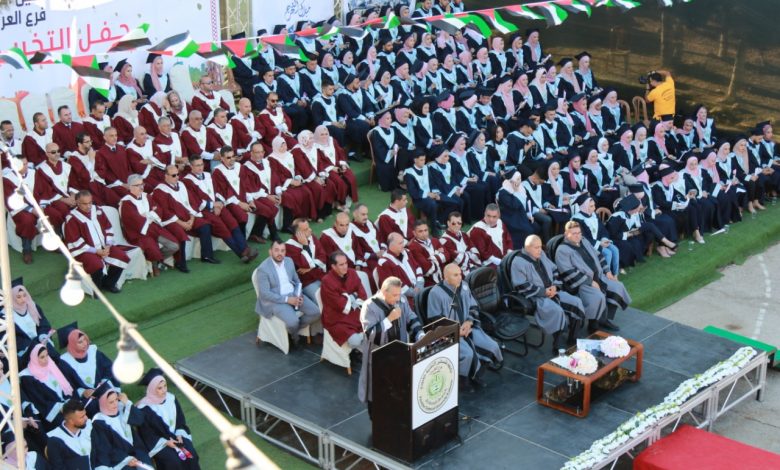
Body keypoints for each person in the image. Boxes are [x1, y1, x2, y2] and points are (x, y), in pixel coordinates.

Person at [427, 264, 503, 386]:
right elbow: (435, 321)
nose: (460, 277)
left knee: (492, 346)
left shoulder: (465, 286)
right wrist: (457, 331)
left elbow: (474, 306)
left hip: (468, 327)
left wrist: (469, 321)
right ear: (446, 277)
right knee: (468, 355)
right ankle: (464, 381)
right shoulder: (435, 293)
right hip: (450, 334)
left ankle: (476, 374)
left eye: (460, 274)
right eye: (455, 275)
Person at [358, 277, 425, 410]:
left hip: (400, 352)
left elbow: (411, 317)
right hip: (380, 357)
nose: (398, 298)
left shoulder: (401, 300)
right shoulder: (369, 306)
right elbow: (371, 335)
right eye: (394, 295)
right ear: (384, 292)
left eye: (399, 294)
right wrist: (389, 319)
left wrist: (420, 334)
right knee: (379, 394)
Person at [511, 234, 584, 351]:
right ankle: (557, 344)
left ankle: (573, 337)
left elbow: (554, 269)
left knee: (577, 302)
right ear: (527, 248)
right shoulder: (518, 262)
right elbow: (521, 286)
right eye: (536, 247)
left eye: (540, 246)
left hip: (553, 291)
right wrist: (543, 292)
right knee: (557, 311)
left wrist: (555, 286)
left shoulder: (541, 255)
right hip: (537, 297)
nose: (540, 250)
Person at [555, 221, 631, 331]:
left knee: (618, 287)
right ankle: (593, 324)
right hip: (581, 283)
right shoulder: (562, 250)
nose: (578, 236)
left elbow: (598, 255)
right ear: (566, 234)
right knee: (597, 296)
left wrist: (607, 271)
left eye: (579, 233)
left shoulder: (584, 241)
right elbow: (568, 273)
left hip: (599, 276)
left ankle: (604, 319)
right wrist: (590, 282)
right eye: (574, 233)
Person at [182, 155, 258, 263]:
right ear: (191, 166)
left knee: (232, 222)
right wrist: (213, 205)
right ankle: (241, 254)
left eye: (202, 164)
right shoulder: (187, 181)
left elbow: (218, 191)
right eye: (197, 165)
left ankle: (246, 249)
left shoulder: (208, 175)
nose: (200, 167)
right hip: (204, 210)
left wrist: (219, 203)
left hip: (218, 205)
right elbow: (194, 201)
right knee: (222, 228)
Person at [254, 240, 321, 343]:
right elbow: (265, 294)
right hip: (277, 300)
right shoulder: (263, 269)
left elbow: (297, 281)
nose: (280, 253)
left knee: (316, 312)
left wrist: (298, 294)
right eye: (276, 250)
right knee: (293, 322)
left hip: (293, 294)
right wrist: (287, 300)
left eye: (282, 250)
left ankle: (293, 330)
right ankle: (295, 337)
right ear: (270, 251)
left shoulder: (289, 261)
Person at [152, 165, 221, 264]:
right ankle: (180, 263)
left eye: (178, 174)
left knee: (205, 226)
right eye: (174, 175)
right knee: (180, 233)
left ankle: (207, 256)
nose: (177, 177)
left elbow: (192, 202)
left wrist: (192, 219)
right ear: (166, 176)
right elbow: (165, 212)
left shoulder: (182, 184)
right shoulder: (160, 190)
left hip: (189, 216)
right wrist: (182, 223)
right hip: (174, 220)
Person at [63, 190, 130, 293]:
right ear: (77, 202)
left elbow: (108, 228)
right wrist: (96, 251)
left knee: (122, 256)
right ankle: (96, 289)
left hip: (103, 246)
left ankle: (109, 283)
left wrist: (108, 245)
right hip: (85, 251)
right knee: (96, 265)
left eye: (90, 202)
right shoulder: (72, 218)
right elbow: (75, 241)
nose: (89, 206)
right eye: (85, 204)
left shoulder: (97, 210)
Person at [120, 174, 185, 275]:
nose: (141, 187)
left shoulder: (147, 196)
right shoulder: (126, 202)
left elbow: (158, 210)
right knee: (153, 250)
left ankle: (158, 261)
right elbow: (135, 220)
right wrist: (151, 214)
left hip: (154, 227)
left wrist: (146, 215)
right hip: (139, 232)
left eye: (142, 184)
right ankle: (155, 265)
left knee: (174, 245)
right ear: (130, 187)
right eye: (138, 185)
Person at [136, 369, 201, 469]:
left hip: (177, 436)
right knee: (174, 462)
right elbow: (147, 433)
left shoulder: (171, 399)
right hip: (160, 442)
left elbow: (180, 421)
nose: (164, 390)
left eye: (165, 386)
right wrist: (166, 442)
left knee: (191, 456)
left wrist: (179, 434)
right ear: (152, 389)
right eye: (159, 388)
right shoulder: (144, 408)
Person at [90, 385, 155, 469]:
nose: (115, 404)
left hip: (136, 450)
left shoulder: (122, 408)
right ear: (103, 403)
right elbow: (106, 448)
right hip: (119, 458)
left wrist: (127, 402)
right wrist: (126, 459)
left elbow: (139, 420)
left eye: (116, 399)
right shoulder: (99, 421)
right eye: (111, 402)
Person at [20, 344, 76, 432]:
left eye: (47, 355)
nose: (46, 359)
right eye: (42, 357)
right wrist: (59, 407)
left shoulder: (51, 366)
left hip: (64, 404)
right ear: (34, 359)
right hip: (49, 412)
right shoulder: (28, 378)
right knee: (70, 420)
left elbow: (64, 388)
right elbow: (39, 400)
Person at [321, 251, 368, 350]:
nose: (345, 266)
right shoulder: (327, 281)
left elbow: (362, 293)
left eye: (346, 263)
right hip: (337, 318)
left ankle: (364, 341)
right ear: (333, 266)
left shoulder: (352, 272)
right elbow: (339, 304)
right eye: (341, 264)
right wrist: (354, 296)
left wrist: (349, 297)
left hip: (355, 311)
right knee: (355, 340)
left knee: (375, 323)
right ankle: (359, 345)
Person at [57, 323, 118, 399]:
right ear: (72, 344)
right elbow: (67, 385)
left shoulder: (93, 352)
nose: (85, 344)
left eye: (85, 339)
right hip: (86, 398)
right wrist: (82, 392)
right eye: (80, 342)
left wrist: (105, 380)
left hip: (104, 389)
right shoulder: (65, 362)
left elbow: (108, 368)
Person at [3, 283, 57, 367]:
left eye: (24, 295)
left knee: (54, 357)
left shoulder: (32, 306)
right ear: (12, 298)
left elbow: (43, 324)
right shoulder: (5, 315)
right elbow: (12, 338)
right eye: (19, 297)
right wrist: (32, 344)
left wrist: (42, 337)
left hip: (40, 341)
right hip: (25, 348)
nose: (23, 299)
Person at [240, 142, 282, 243]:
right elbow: (250, 188)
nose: (260, 155)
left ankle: (256, 233)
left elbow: (275, 178)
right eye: (257, 152)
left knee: (272, 208)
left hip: (265, 194)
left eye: (262, 152)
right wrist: (268, 196)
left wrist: (278, 193)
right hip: (252, 196)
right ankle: (273, 233)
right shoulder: (246, 168)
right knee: (269, 209)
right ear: (251, 153)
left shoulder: (266, 162)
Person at [33, 142, 76, 233]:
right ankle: (64, 233)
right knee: (62, 210)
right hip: (53, 200)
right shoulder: (42, 170)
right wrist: (65, 200)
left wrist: (72, 196)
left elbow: (73, 183)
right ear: (47, 154)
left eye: (58, 151)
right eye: (53, 152)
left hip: (69, 196)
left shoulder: (66, 166)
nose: (57, 154)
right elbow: (45, 191)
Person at [3, 154, 38, 263]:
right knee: (27, 220)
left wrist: (40, 206)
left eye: (26, 164)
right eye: (22, 165)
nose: (25, 166)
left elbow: (42, 191)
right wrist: (31, 209)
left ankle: (56, 240)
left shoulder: (34, 173)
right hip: (20, 208)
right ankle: (26, 249)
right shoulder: (7, 179)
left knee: (54, 211)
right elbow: (11, 200)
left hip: (37, 205)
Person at [284, 218, 327, 303]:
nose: (310, 230)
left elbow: (323, 256)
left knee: (336, 292)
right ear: (298, 233)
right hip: (306, 282)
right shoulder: (289, 246)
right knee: (321, 300)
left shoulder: (312, 237)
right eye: (306, 229)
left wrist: (311, 267)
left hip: (320, 275)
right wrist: (305, 246)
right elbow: (306, 264)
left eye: (309, 227)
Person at [376, 232, 424, 304]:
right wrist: (413, 292)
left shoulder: (406, 252)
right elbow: (392, 285)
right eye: (400, 243)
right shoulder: (384, 262)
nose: (403, 245)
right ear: (392, 245)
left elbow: (418, 268)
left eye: (403, 242)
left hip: (418, 290)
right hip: (403, 300)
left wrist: (419, 284)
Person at [45, 399, 93, 469]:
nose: (86, 418)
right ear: (71, 421)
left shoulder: (89, 425)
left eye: (85, 414)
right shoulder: (54, 439)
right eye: (82, 417)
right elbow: (58, 467)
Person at [497, 172, 538, 249]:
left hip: (521, 215)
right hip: (511, 218)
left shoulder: (521, 188)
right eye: (517, 179)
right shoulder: (503, 192)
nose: (519, 181)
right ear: (511, 180)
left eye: (520, 178)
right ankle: (522, 249)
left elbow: (527, 202)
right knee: (527, 230)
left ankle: (532, 246)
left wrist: (528, 214)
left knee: (536, 226)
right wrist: (514, 192)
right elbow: (514, 206)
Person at [94, 127, 132, 206]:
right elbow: (105, 172)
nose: (115, 138)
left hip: (127, 181)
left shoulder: (121, 148)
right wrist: (121, 184)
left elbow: (128, 165)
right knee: (129, 196)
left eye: (116, 135)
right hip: (114, 184)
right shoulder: (100, 153)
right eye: (111, 136)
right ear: (105, 137)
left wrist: (131, 180)